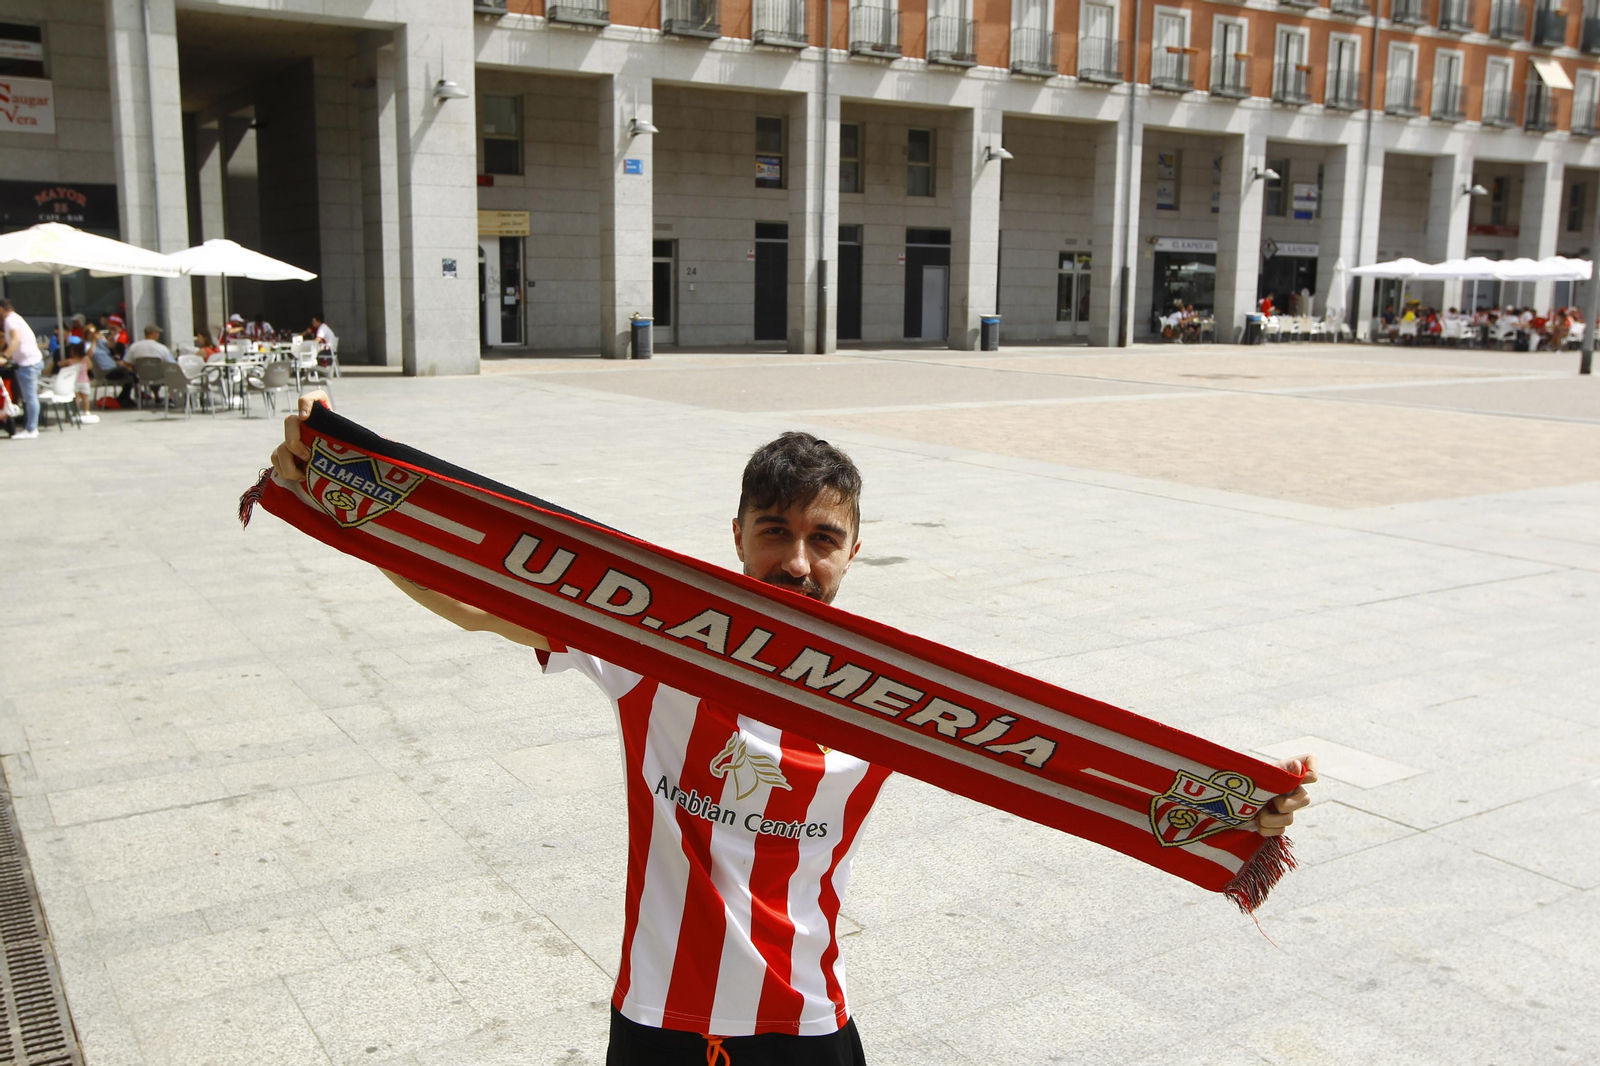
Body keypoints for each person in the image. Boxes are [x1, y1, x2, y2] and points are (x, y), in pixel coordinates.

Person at [268, 393, 1319, 1065]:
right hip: (659, 1022)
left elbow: (1054, 759)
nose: (798, 561)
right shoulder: (657, 649)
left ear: (856, 550)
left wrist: (1236, 802)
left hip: (807, 1027)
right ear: (734, 538)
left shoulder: (893, 697)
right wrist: (349, 496)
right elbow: (485, 596)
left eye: (823, 539)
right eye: (775, 533)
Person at [0, 297, 43, 439]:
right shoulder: (15, 318)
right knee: (28, 398)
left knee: (30, 398)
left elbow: (16, 339)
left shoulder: (10, 320)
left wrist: (5, 356)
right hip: (30, 361)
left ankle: (31, 429)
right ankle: (30, 427)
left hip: (28, 363)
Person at [90, 325, 137, 406]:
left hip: (113, 368)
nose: (96, 335)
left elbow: (111, 345)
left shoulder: (102, 343)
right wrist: (94, 342)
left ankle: (124, 397)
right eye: (92, 333)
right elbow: (89, 354)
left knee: (133, 376)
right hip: (105, 371)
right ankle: (124, 398)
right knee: (125, 371)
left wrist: (109, 338)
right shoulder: (89, 345)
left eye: (96, 333)